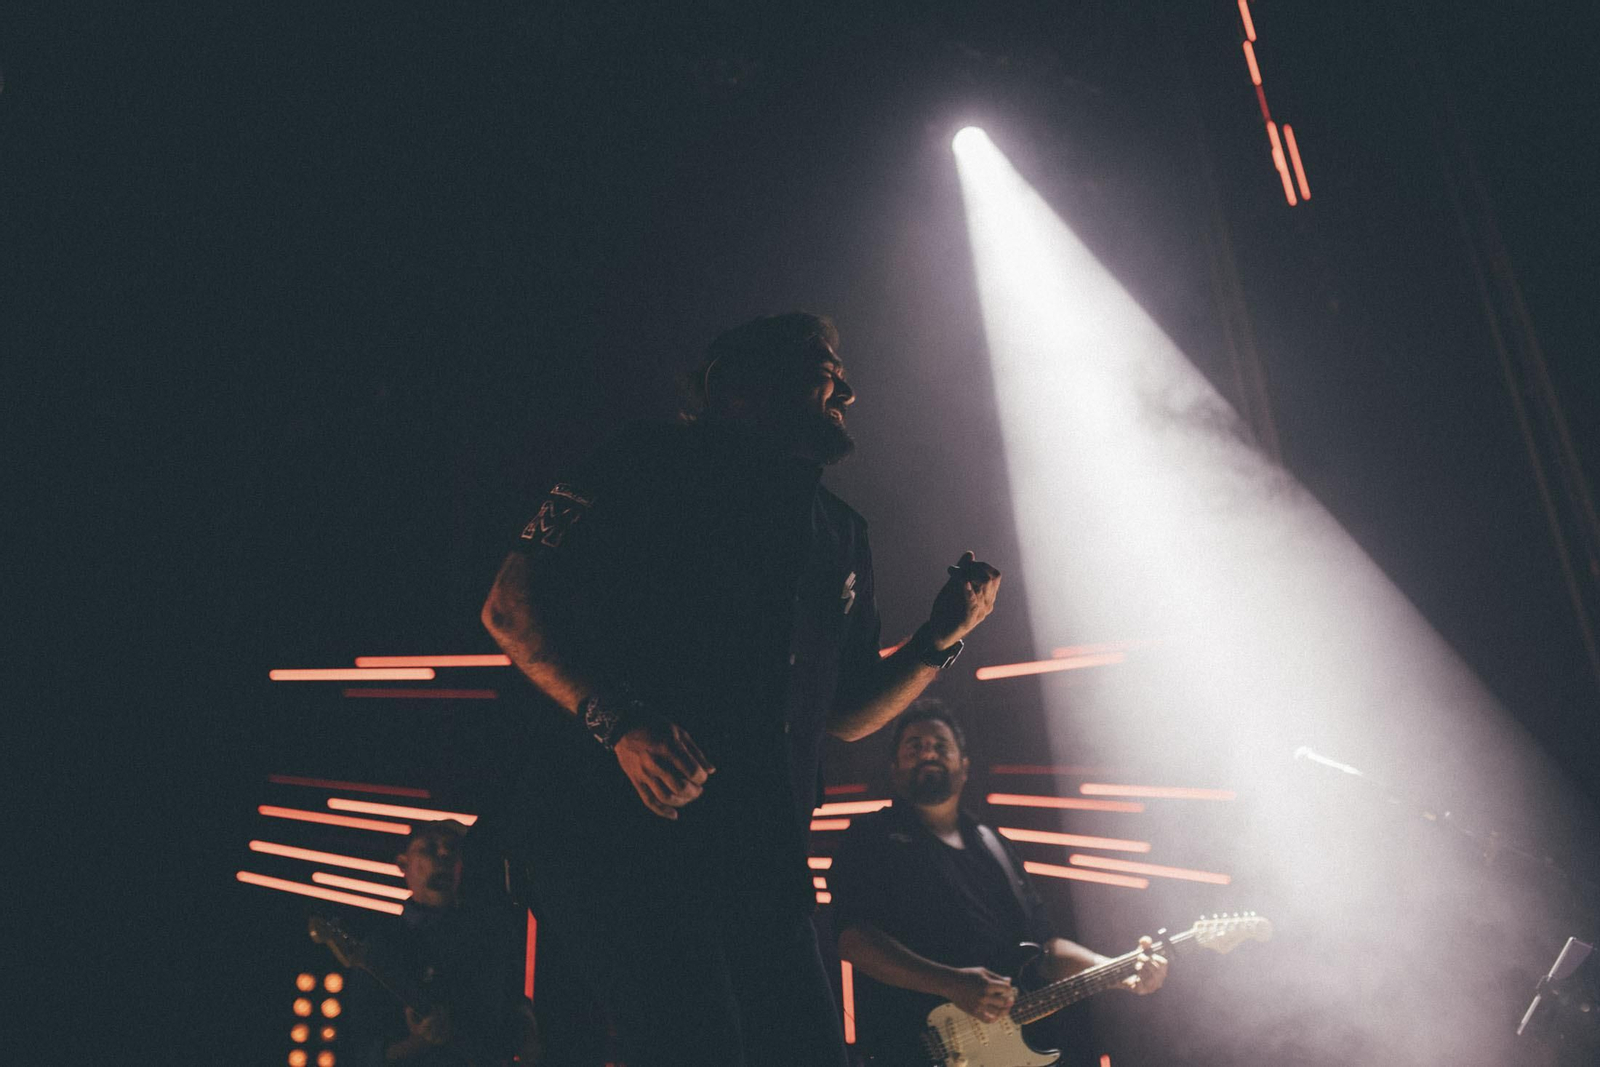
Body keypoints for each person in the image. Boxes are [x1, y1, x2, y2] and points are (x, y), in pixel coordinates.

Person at [480, 312, 1002, 1067]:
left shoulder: (838, 531)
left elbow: (849, 715)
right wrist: (619, 723)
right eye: (824, 366)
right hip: (618, 842)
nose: (847, 389)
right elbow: (509, 606)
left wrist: (939, 639)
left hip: (764, 859)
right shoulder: (642, 460)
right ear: (741, 388)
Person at [832, 701, 1167, 1066]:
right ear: (894, 768)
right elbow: (853, 941)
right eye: (914, 746)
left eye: (940, 745)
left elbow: (1046, 950)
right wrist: (951, 983)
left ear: (964, 767)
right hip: (907, 1051)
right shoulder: (869, 838)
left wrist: (1115, 969)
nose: (928, 751)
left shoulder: (994, 846)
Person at [344, 820, 538, 1066]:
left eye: (451, 849)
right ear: (403, 864)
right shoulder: (382, 947)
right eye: (429, 848)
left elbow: (512, 1000)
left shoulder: (488, 933)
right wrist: (418, 1043)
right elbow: (365, 1053)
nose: (444, 854)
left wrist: (528, 1030)